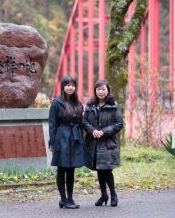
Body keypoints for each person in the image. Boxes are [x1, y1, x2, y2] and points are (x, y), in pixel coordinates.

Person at [82, 79, 124, 207]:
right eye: (98, 89)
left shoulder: (114, 106)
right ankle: (103, 195)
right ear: (95, 91)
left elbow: (119, 123)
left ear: (108, 91)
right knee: (99, 170)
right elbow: (84, 122)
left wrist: (103, 132)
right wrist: (92, 130)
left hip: (107, 143)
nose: (101, 91)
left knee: (107, 170)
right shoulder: (90, 106)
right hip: (94, 143)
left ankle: (113, 194)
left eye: (103, 89)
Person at [48, 76, 87, 209]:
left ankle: (70, 198)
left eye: (72, 85)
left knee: (71, 169)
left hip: (75, 138)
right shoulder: (57, 103)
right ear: (63, 87)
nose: (70, 87)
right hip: (62, 137)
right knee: (62, 168)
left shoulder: (78, 103)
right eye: (67, 85)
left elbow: (82, 122)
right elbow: (52, 124)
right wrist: (52, 142)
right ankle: (63, 199)